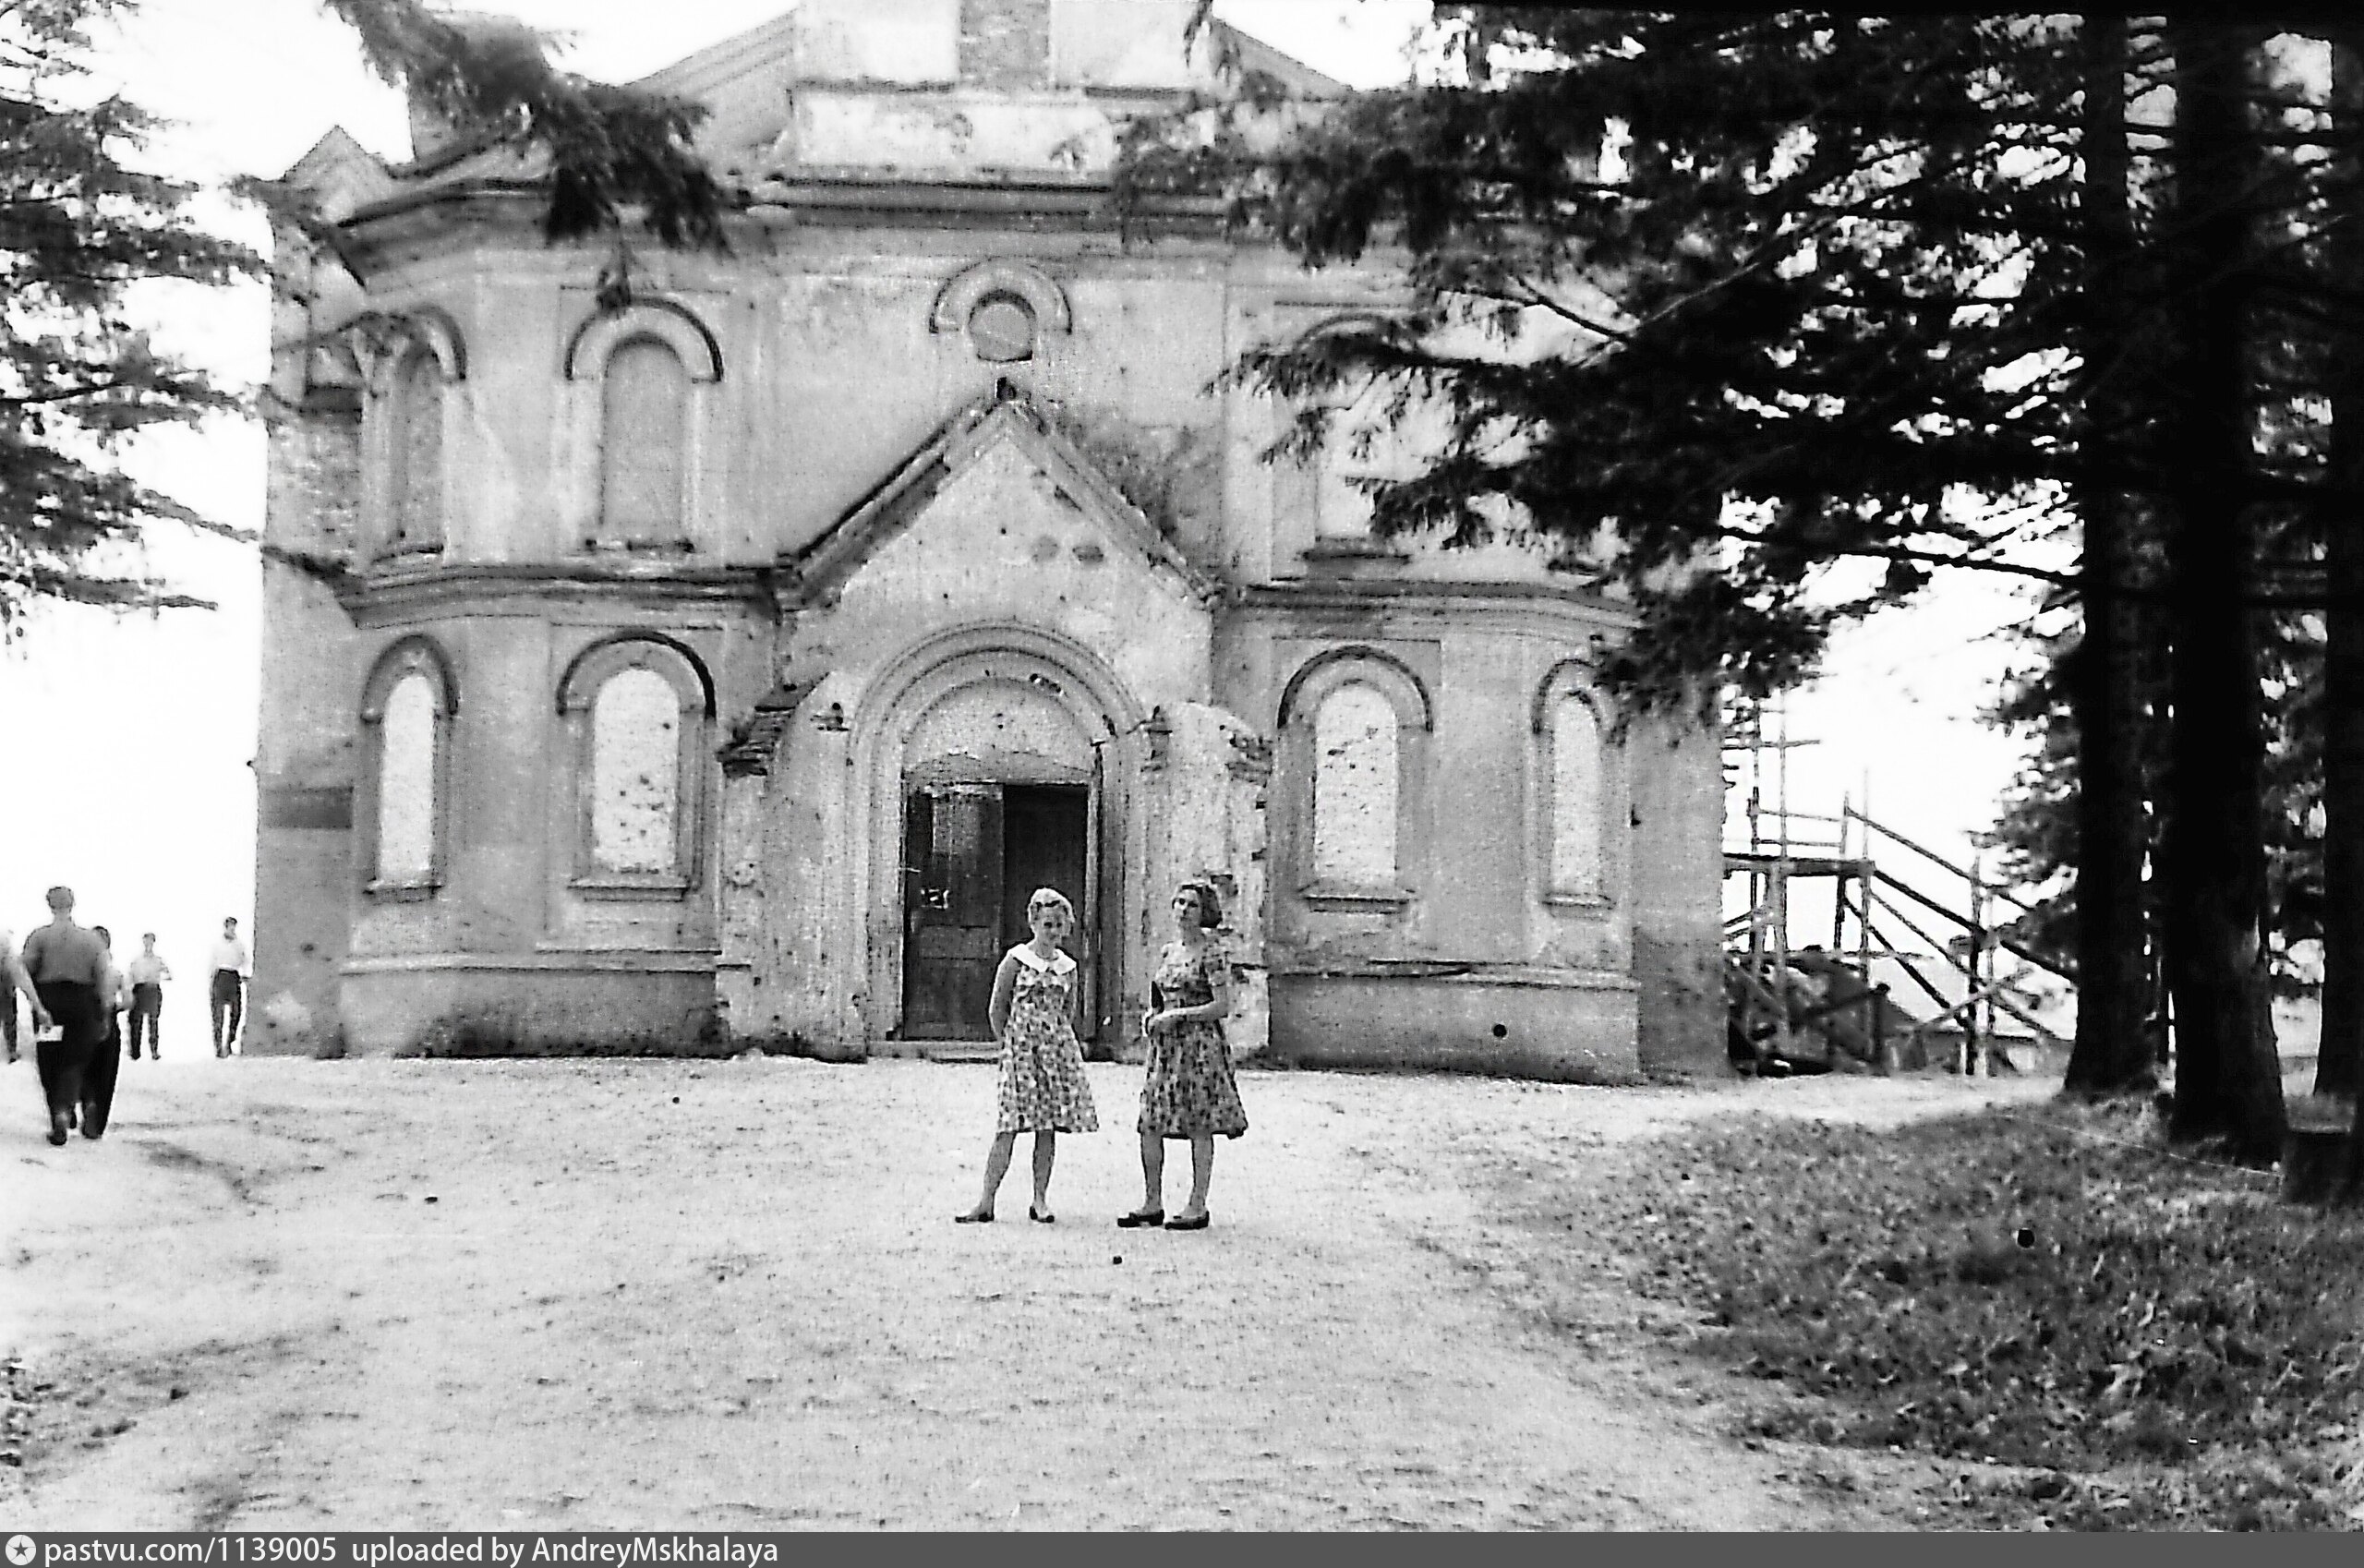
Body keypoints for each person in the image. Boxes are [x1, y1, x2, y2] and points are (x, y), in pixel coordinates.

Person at [956, 887, 1098, 1225]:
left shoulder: (1068, 967)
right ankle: (986, 1201)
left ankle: (1040, 1199)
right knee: (1008, 1127)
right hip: (1020, 1050)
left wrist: (1059, 1042)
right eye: (1047, 923)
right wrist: (1008, 1043)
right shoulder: (1016, 959)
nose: (1052, 931)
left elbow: (1069, 1010)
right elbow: (997, 1006)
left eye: (1058, 925)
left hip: (1054, 1052)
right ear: (1033, 922)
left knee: (1046, 1127)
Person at [1120, 880, 1248, 1232]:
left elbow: (1222, 1005)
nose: (1183, 910)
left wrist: (1179, 1016)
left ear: (1204, 911)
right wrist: (1152, 1014)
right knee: (1150, 1121)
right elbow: (1159, 994)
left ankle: (1197, 1203)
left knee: (1198, 1122)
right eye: (1178, 902)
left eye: (1191, 904)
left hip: (1198, 1046)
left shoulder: (1212, 953)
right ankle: (1151, 1201)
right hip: (1165, 1049)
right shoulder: (1169, 951)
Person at [20, 887, 110, 1146]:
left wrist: (37, 1003)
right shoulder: (92, 941)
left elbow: (26, 969)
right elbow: (103, 978)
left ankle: (58, 1114)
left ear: (49, 905)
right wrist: (103, 1012)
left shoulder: (39, 937)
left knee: (50, 1059)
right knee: (75, 1059)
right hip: (82, 1004)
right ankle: (67, 1108)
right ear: (73, 904)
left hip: (50, 1003)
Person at [85, 925, 127, 1138]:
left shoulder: (84, 975)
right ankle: (98, 1121)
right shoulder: (116, 973)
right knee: (106, 1073)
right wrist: (115, 1007)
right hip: (110, 1020)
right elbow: (129, 1001)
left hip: (86, 1020)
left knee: (83, 1067)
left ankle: (86, 1102)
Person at [2, 920, 54, 1067]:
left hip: (7, 985)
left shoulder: (9, 953)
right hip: (7, 987)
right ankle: (12, 1050)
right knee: (9, 1016)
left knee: (9, 1016)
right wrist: (38, 1006)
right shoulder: (8, 952)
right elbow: (21, 977)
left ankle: (12, 1050)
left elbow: (21, 976)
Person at [209, 916, 250, 1057]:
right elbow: (212, 963)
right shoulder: (217, 945)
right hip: (220, 976)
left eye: (233, 926)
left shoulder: (239, 945)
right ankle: (218, 1047)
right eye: (229, 926)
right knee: (218, 1015)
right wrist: (211, 982)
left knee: (236, 1011)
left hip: (233, 976)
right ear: (225, 927)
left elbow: (245, 961)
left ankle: (230, 1042)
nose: (231, 928)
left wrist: (244, 975)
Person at [127, 933, 170, 1060]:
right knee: (136, 1023)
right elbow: (130, 976)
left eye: (151, 941)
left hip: (153, 989)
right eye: (146, 941)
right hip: (139, 989)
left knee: (153, 1022)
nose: (148, 944)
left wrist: (157, 977)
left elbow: (169, 974)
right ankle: (135, 1052)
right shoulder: (137, 960)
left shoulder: (158, 960)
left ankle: (154, 1051)